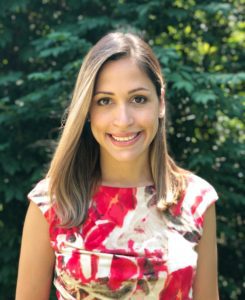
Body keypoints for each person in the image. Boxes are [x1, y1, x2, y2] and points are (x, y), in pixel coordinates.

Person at [16, 32, 219, 300]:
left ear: (161, 102)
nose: (123, 120)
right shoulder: (52, 201)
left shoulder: (195, 199)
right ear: (88, 111)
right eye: (105, 101)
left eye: (138, 99)